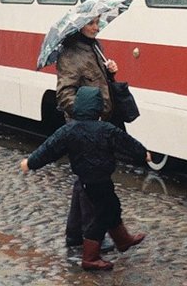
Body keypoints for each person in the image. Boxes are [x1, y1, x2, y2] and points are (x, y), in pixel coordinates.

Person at [19, 86, 148, 271]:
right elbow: (127, 143)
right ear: (98, 108)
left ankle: (123, 240)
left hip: (89, 180)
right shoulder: (106, 129)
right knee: (100, 217)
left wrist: (31, 162)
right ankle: (90, 257)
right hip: (99, 179)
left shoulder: (69, 130)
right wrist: (143, 154)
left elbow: (49, 149)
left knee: (112, 207)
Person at [55, 13, 120, 250]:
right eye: (92, 23)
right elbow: (64, 94)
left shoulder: (94, 47)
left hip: (96, 120)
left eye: (97, 22)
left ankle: (74, 234)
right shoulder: (71, 53)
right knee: (91, 181)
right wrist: (86, 115)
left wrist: (110, 71)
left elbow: (97, 82)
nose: (96, 27)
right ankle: (91, 236)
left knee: (84, 179)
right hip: (83, 124)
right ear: (80, 26)